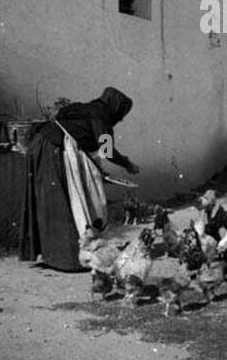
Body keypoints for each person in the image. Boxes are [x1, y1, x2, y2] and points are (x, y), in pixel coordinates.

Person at [19, 87, 140, 272]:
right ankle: (69, 260)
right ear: (115, 108)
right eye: (121, 114)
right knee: (65, 203)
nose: (121, 119)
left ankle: (53, 256)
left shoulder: (85, 109)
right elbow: (106, 150)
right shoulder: (101, 116)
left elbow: (80, 139)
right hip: (53, 151)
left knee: (49, 203)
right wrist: (127, 164)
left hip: (41, 146)